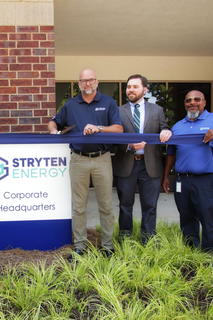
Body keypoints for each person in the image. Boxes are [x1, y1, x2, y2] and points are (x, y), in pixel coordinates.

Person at [162, 90, 213, 259]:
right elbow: (171, 154)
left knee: (208, 219)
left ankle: (211, 257)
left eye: (196, 99)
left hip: (207, 180)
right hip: (182, 181)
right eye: (188, 100)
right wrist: (166, 176)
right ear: (185, 103)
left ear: (204, 102)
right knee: (187, 218)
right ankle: (192, 254)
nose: (192, 102)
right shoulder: (178, 126)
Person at [48, 69, 123, 261]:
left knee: (106, 205)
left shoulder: (108, 102)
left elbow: (118, 129)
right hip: (78, 160)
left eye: (90, 80)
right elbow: (53, 122)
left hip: (102, 159)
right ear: (79, 83)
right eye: (83, 81)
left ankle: (107, 247)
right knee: (78, 207)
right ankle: (80, 246)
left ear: (97, 82)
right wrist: (55, 132)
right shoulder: (71, 105)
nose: (87, 83)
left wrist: (99, 128)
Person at [112, 74, 172, 244]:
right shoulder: (117, 111)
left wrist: (167, 131)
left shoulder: (157, 110)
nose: (131, 90)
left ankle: (149, 240)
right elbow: (112, 138)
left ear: (144, 90)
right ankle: (125, 239)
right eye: (128, 86)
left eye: (135, 87)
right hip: (126, 163)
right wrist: (129, 145)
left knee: (150, 206)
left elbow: (164, 129)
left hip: (150, 165)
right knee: (125, 205)